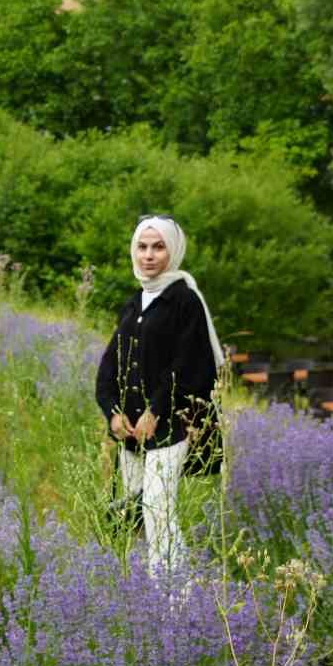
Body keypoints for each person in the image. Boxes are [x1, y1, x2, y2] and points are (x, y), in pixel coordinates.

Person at [94, 214, 223, 574]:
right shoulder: (134, 303)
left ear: (174, 251)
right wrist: (113, 412)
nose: (149, 255)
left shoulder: (185, 301)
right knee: (132, 514)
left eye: (158, 247)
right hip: (131, 431)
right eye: (142, 247)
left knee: (157, 510)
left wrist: (156, 411)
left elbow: (191, 366)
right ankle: (141, 591)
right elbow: (110, 365)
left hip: (170, 427)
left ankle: (174, 595)